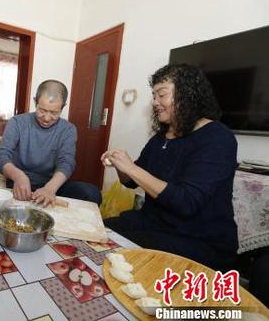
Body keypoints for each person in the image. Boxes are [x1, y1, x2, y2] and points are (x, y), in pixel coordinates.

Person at [101, 64, 238, 271]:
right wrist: (121, 165)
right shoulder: (161, 139)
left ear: (186, 94)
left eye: (161, 95)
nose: (155, 102)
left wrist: (132, 169)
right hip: (152, 224)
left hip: (196, 239)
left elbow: (187, 201)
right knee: (100, 230)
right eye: (154, 96)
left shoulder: (217, 137)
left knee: (113, 254)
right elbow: (129, 182)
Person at [0, 80, 102, 207]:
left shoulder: (68, 129)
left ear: (63, 107)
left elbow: (66, 162)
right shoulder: (17, 122)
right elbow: (1, 155)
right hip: (21, 183)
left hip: (52, 184)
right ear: (35, 102)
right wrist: (18, 176)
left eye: (54, 113)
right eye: (42, 110)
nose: (46, 118)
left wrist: (50, 189)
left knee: (92, 193)